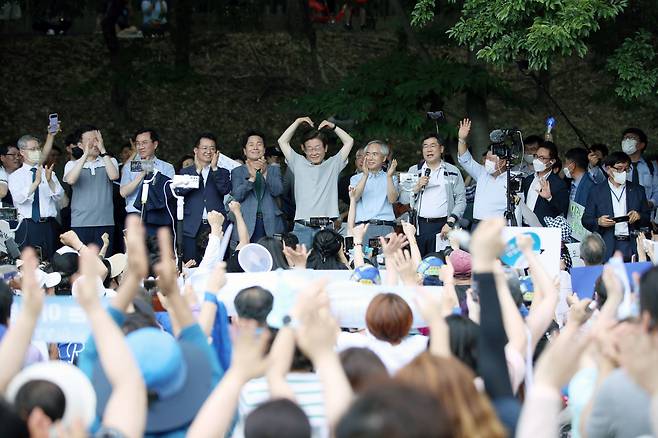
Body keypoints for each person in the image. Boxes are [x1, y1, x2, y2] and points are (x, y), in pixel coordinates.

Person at [277, 116, 354, 249]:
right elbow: (282, 141)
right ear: (303, 149)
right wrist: (297, 122)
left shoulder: (333, 164)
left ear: (325, 148)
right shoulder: (298, 162)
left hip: (326, 227)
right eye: (310, 148)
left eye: (318, 147)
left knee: (327, 266)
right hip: (302, 226)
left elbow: (349, 141)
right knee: (301, 265)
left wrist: (333, 127)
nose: (314, 152)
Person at [402, 132, 466, 255]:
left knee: (442, 264)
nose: (429, 149)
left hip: (444, 225)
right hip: (420, 226)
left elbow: (461, 200)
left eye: (432, 145)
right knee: (420, 265)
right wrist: (416, 187)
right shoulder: (414, 170)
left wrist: (450, 222)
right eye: (425, 146)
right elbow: (404, 199)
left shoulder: (453, 171)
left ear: (441, 149)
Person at [582, 152, 651, 261]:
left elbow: (647, 217)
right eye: (619, 168)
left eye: (626, 169)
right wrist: (598, 221)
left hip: (631, 243)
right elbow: (586, 220)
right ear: (608, 169)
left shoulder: (638, 190)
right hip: (607, 243)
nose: (623, 172)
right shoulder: (596, 191)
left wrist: (639, 215)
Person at [335, 293, 428, 374]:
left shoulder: (361, 345)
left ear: (369, 321)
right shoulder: (421, 344)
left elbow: (332, 332)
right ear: (409, 321)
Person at [63, 126, 120, 252]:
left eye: (97, 140)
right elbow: (71, 180)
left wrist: (103, 150)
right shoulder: (71, 165)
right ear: (80, 145)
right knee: (82, 263)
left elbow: (114, 176)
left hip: (105, 222)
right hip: (80, 222)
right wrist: (85, 156)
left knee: (105, 263)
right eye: (90, 140)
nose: (95, 144)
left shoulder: (110, 161)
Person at [178, 133, 231, 263]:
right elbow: (180, 191)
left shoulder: (222, 172)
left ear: (217, 152)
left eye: (212, 148)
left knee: (217, 264)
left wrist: (214, 168)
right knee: (191, 264)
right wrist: (197, 172)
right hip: (191, 226)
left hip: (216, 226)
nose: (209, 151)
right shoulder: (185, 172)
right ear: (196, 150)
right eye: (205, 148)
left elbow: (225, 189)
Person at [9, 135, 64, 259]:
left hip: (49, 225)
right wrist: (35, 183)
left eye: (38, 148)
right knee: (27, 264)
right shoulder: (15, 176)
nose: (37, 152)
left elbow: (59, 195)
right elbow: (18, 198)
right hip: (27, 225)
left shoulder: (48, 172)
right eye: (32, 149)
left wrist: (49, 181)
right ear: (22, 152)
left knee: (50, 262)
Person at [231, 131, 285, 244]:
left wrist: (265, 173)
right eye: (251, 144)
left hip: (271, 222)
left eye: (259, 144)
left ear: (264, 150)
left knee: (272, 258)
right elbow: (237, 195)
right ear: (245, 151)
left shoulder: (273, 169)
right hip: (247, 222)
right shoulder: (237, 171)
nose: (255, 147)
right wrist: (251, 179)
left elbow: (277, 191)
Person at [119, 128, 175, 235]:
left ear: (155, 144)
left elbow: (169, 193)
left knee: (157, 251)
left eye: (144, 143)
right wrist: (142, 174)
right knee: (134, 251)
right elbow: (123, 192)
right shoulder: (130, 167)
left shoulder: (167, 167)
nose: (141, 147)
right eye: (138, 144)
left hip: (158, 216)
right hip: (135, 216)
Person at [457, 119, 509, 225]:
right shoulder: (481, 173)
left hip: (499, 228)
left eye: (491, 159)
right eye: (487, 158)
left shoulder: (512, 179)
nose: (487, 162)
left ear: (503, 162)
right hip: (478, 226)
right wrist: (462, 139)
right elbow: (465, 159)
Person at [350, 141, 399, 245]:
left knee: (386, 261)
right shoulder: (355, 178)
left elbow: (392, 199)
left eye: (375, 154)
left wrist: (389, 177)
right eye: (367, 154)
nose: (370, 158)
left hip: (385, 227)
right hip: (363, 228)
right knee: (363, 260)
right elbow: (355, 197)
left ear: (384, 158)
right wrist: (365, 175)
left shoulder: (391, 177)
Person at [521, 140, 569, 226]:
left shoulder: (559, 184)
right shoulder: (528, 180)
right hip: (524, 227)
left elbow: (563, 210)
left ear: (552, 161)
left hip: (544, 231)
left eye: (542, 158)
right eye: (536, 156)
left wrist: (549, 198)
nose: (537, 160)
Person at [620, 127, 658, 210]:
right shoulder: (615, 165)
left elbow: (657, 190)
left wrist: (651, 203)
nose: (627, 141)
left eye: (632, 138)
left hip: (645, 216)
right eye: (625, 138)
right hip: (621, 214)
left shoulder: (651, 167)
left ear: (642, 145)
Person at [0, 142, 21, 206]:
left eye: (19, 155)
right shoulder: (1, 173)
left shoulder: (24, 173)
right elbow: (2, 193)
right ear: (2, 158)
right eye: (13, 155)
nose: (17, 158)